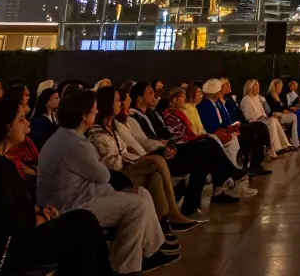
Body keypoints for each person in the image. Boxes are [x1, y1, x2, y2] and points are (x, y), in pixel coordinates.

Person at [0, 100, 114, 275]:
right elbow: (2, 220)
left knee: (83, 219)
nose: (27, 123)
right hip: (0, 252)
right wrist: (38, 219)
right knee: (79, 230)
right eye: (21, 119)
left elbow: (5, 205)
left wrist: (37, 210)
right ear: (7, 128)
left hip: (5, 239)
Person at [37, 89, 177, 274]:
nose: (96, 112)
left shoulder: (69, 137)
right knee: (137, 205)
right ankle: (125, 266)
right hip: (69, 208)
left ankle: (150, 251)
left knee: (141, 193)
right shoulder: (75, 143)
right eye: (93, 110)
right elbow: (103, 175)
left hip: (78, 197)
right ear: (83, 115)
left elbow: (97, 176)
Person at [87, 87, 200, 230]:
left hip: (128, 167)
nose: (121, 104)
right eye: (118, 100)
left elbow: (127, 149)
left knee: (155, 176)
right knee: (157, 161)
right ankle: (173, 212)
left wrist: (134, 157)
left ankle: (162, 225)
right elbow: (114, 164)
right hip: (117, 177)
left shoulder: (112, 126)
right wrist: (140, 160)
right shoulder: (98, 132)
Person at [162, 86, 253, 202]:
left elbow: (190, 132)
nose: (184, 99)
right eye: (182, 96)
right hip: (181, 148)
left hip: (189, 142)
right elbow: (182, 135)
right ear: (174, 99)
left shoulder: (181, 112)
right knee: (210, 144)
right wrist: (201, 137)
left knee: (211, 144)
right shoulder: (171, 114)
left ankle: (226, 180)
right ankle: (229, 177)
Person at [241, 78, 293, 155]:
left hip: (263, 119)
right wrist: (265, 118)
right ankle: (273, 150)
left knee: (274, 119)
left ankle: (281, 145)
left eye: (258, 85)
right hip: (254, 122)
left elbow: (264, 111)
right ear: (251, 87)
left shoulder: (258, 97)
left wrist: (267, 115)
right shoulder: (246, 99)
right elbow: (250, 116)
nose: (258, 87)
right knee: (272, 120)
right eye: (256, 85)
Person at [267, 78, 300, 145]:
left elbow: (285, 105)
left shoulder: (281, 95)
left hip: (287, 111)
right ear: (273, 87)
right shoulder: (269, 97)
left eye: (280, 87)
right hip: (280, 114)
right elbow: (275, 108)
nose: (280, 90)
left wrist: (291, 108)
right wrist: (279, 102)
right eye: (278, 88)